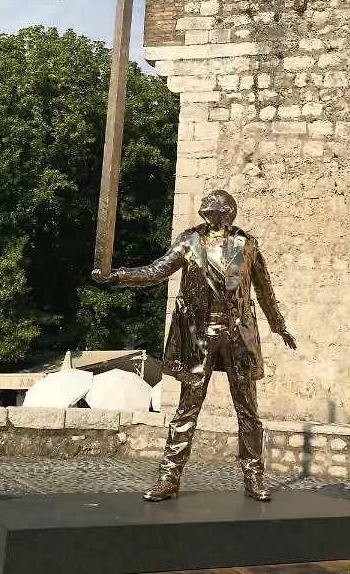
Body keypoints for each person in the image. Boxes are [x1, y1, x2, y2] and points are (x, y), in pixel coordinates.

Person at [92, 190, 296, 502]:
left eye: (213, 205)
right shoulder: (189, 241)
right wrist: (118, 276)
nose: (207, 208)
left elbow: (264, 289)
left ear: (226, 211)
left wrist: (278, 325)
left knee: (248, 411)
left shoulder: (248, 244)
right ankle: (169, 478)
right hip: (199, 335)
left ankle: (254, 476)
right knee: (187, 409)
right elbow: (157, 271)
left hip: (239, 335)